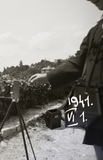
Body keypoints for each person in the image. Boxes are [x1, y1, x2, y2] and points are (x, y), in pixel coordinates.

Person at [29, 1, 103, 159]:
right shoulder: (95, 31)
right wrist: (49, 76)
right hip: (98, 103)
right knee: (99, 145)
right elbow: (78, 62)